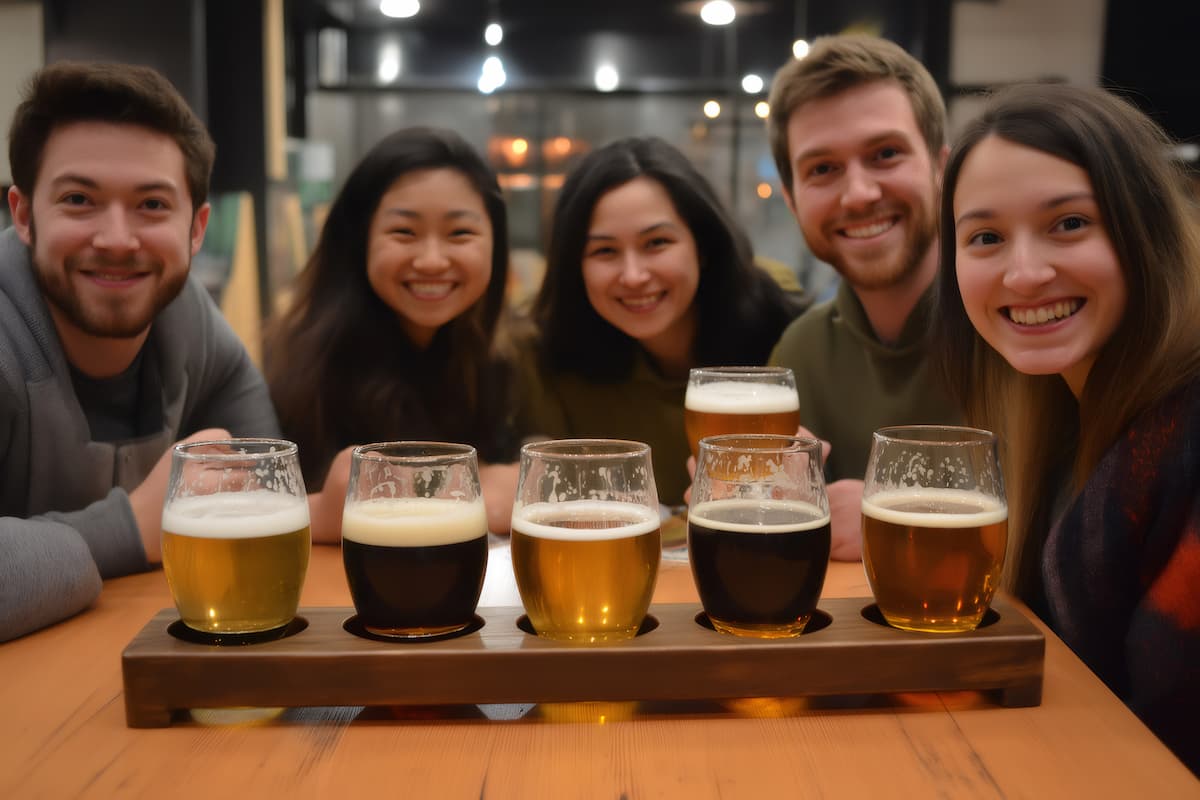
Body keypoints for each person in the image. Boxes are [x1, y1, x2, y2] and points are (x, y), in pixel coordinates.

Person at [935, 82, 1200, 775]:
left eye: (1069, 223)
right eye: (985, 237)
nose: (1024, 273)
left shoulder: (1185, 442)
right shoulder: (1058, 423)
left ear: (1146, 228)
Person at [0, 62, 283, 642]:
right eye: (79, 199)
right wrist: (134, 525)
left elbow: (267, 497)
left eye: (152, 205)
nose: (117, 240)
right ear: (23, 215)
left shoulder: (194, 327)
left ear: (196, 228)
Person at [518, 136, 807, 507]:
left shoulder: (780, 322)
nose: (634, 275)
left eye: (656, 243)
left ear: (701, 246)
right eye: (604, 251)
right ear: (576, 267)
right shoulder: (550, 356)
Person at [765, 34, 962, 559]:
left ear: (941, 167)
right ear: (791, 198)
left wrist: (895, 515)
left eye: (886, 154)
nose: (859, 194)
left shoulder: (1019, 323)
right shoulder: (802, 351)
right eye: (822, 169)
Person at [266, 127, 519, 535]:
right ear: (359, 241)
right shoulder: (303, 370)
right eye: (404, 232)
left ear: (496, 244)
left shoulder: (498, 357)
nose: (432, 261)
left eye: (460, 233)